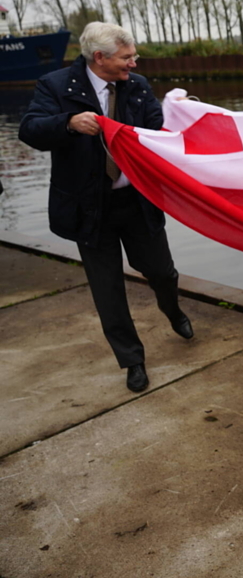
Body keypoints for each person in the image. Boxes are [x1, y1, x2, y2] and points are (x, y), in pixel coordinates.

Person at [19, 22, 192, 394]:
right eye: (127, 57)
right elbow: (30, 130)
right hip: (88, 208)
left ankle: (173, 310)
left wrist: (182, 120)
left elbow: (157, 134)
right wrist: (66, 123)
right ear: (100, 57)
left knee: (161, 271)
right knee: (107, 288)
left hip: (136, 202)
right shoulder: (55, 86)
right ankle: (133, 360)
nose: (134, 62)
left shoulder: (138, 86)